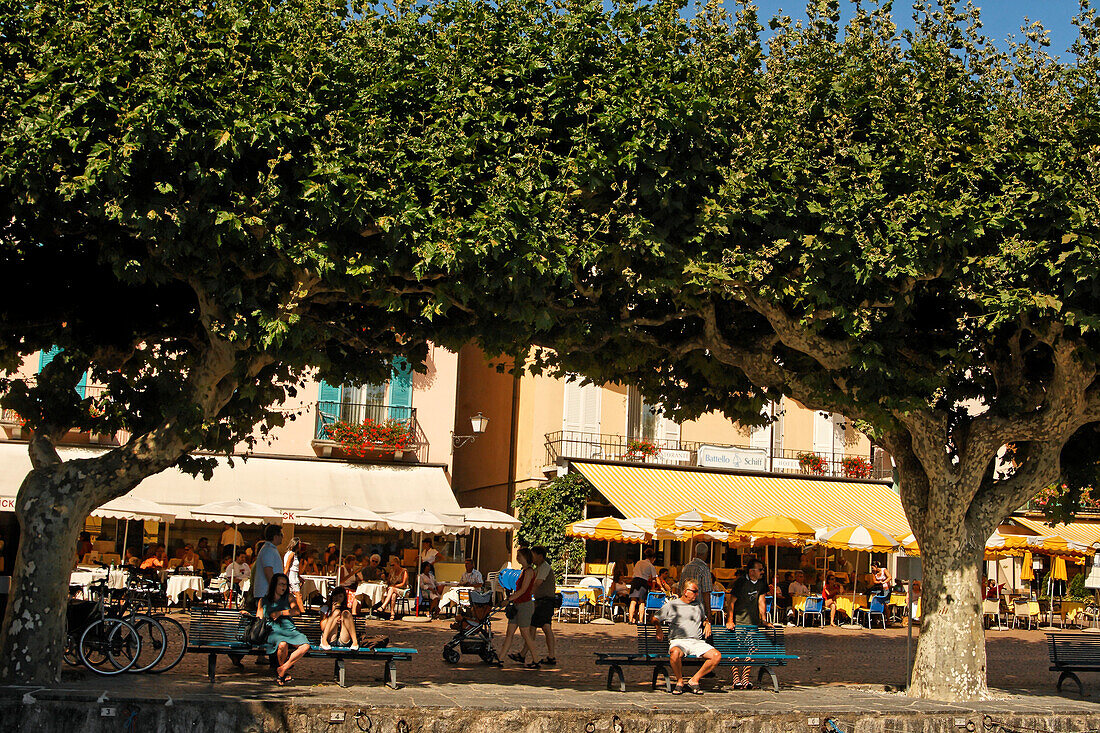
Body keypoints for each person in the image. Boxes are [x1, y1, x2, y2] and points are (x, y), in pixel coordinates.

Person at [655, 579, 720, 695]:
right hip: (679, 641)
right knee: (674, 653)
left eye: (697, 592)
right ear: (685, 591)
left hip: (696, 641)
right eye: (694, 591)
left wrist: (707, 623)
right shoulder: (672, 605)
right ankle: (679, 681)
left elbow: (704, 618)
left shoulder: (698, 605)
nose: (697, 594)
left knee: (716, 656)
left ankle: (694, 680)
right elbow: (655, 618)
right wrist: (658, 629)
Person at [259, 573, 311, 685]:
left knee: (305, 646)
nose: (284, 587)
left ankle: (282, 669)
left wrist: (281, 613)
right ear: (274, 585)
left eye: (286, 585)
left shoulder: (289, 597)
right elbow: (259, 618)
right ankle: (281, 674)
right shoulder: (263, 601)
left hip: (289, 629)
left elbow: (296, 611)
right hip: (273, 630)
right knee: (282, 644)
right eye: (281, 584)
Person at [727, 558, 771, 689]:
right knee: (735, 650)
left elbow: (761, 601)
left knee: (751, 649)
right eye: (760, 569)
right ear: (752, 571)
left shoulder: (762, 583)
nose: (762, 572)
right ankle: (736, 679)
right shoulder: (741, 582)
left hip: (752, 622)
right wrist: (730, 620)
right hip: (739, 621)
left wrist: (763, 620)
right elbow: (731, 602)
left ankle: (745, 679)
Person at [499, 547, 540, 668]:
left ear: (525, 557)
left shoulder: (529, 571)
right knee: (509, 632)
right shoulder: (523, 571)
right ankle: (500, 658)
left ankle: (536, 659)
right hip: (517, 604)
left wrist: (508, 599)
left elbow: (523, 590)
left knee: (525, 633)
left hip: (524, 605)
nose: (517, 558)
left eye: (519, 556)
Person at [529, 545, 558, 666]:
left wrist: (527, 594)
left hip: (545, 602)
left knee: (536, 627)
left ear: (540, 556)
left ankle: (526, 654)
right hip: (542, 601)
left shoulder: (545, 567)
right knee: (542, 627)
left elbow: (537, 583)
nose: (531, 558)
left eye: (533, 555)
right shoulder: (538, 568)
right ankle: (550, 656)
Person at [679, 542, 715, 619]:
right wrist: (709, 612)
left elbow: (680, 589)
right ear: (706, 554)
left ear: (695, 553)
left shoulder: (686, 567)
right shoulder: (704, 568)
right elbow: (706, 592)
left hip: (684, 607)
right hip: (698, 608)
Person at [320, 586, 359, 651]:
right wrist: (332, 612)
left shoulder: (347, 610)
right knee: (336, 612)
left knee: (345, 613)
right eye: (335, 596)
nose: (337, 598)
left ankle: (355, 642)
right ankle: (323, 640)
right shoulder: (325, 608)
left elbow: (349, 627)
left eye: (340, 596)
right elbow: (322, 627)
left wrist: (341, 622)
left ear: (344, 598)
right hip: (330, 637)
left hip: (343, 637)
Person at [628, 547, 658, 624]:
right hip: (643, 582)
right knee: (641, 602)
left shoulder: (638, 562)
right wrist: (653, 588)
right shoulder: (650, 565)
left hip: (634, 581)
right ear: (652, 558)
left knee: (633, 601)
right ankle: (641, 620)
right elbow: (654, 578)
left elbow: (634, 572)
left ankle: (630, 619)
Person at [283, 537, 304, 613]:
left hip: (294, 576)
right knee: (298, 594)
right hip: (292, 577)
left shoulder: (292, 554)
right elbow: (287, 567)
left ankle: (296, 610)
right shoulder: (291, 554)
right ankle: (302, 611)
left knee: (295, 595)